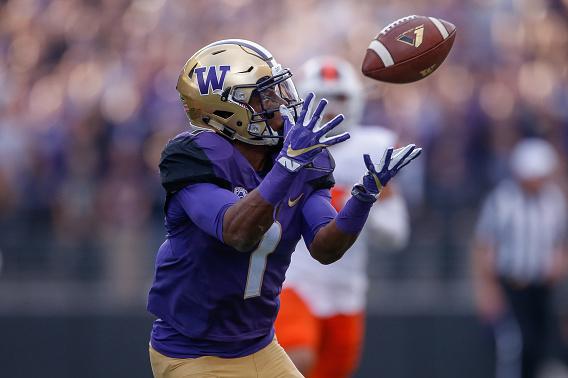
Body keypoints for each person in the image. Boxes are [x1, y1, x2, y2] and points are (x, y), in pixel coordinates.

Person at [146, 39, 422, 378]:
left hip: (259, 345)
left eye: (278, 89)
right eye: (264, 95)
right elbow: (238, 232)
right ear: (226, 108)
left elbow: (325, 246)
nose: (279, 103)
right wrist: (286, 167)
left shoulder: (301, 155)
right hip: (192, 350)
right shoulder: (194, 156)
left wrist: (363, 199)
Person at [274, 56, 411, 378]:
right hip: (293, 279)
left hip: (346, 288)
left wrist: (362, 203)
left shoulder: (374, 146)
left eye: (340, 97)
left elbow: (395, 235)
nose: (331, 107)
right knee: (296, 360)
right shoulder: (285, 143)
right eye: (321, 97)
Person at [472, 138, 568, 378]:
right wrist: (488, 289)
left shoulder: (554, 200)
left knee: (538, 347)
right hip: (511, 284)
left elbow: (560, 240)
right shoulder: (502, 200)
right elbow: (484, 245)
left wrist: (559, 261)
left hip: (542, 287)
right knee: (513, 346)